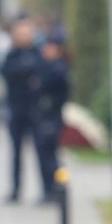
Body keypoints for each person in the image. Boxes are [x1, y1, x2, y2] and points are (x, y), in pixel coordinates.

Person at [0, 17, 43, 203]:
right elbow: (7, 73)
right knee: (16, 151)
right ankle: (16, 189)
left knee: (41, 150)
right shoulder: (12, 54)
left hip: (35, 109)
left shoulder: (37, 53)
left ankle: (48, 188)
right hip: (16, 107)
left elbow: (42, 73)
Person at [34, 27, 71, 202]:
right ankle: (49, 189)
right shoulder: (48, 66)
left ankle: (56, 189)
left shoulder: (58, 68)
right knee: (44, 154)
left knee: (50, 155)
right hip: (44, 114)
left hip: (52, 114)